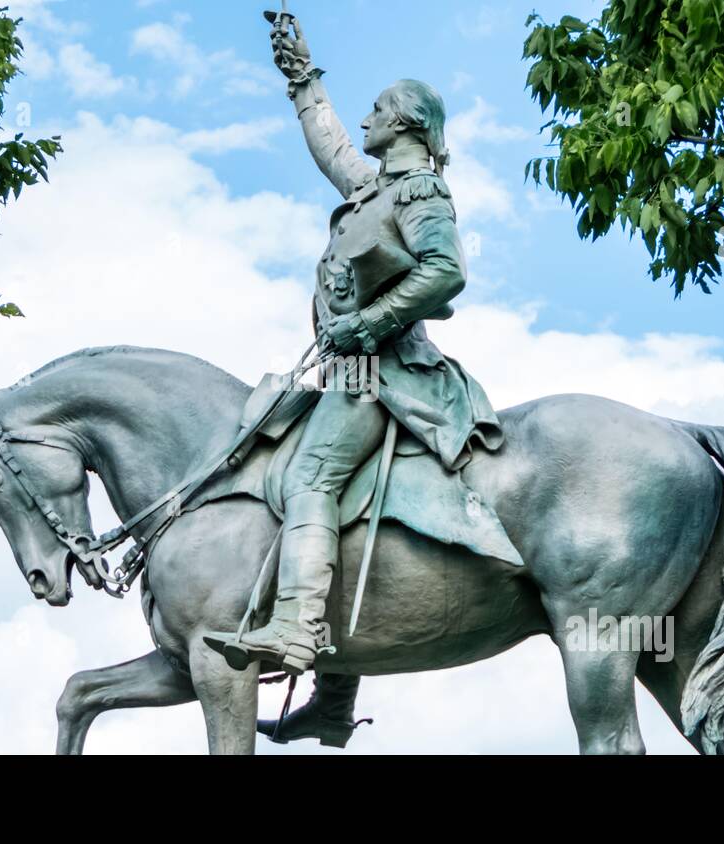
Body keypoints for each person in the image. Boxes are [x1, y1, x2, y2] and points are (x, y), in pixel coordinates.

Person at [203, 11, 502, 692]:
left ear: (402, 123)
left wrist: (366, 325)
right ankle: (334, 706)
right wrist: (300, 76)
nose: (364, 120)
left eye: (376, 110)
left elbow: (446, 271)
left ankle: (298, 628)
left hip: (384, 373)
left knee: (311, 480)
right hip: (347, 369)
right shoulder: (372, 188)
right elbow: (329, 142)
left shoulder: (421, 189)